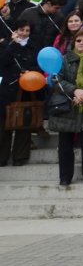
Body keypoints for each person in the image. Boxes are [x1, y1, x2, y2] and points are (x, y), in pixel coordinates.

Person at [48, 28, 83, 186]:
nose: (81, 43)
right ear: (74, 42)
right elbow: (56, 79)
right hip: (67, 106)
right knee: (65, 145)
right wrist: (75, 91)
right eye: (79, 40)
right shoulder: (64, 59)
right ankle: (65, 176)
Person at [0, 19, 38, 167]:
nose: (24, 33)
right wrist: (12, 44)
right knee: (3, 125)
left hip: (27, 89)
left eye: (27, 31)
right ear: (15, 31)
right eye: (21, 30)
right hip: (7, 90)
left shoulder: (34, 46)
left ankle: (19, 157)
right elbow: (2, 62)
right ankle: (2, 157)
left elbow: (38, 65)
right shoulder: (6, 45)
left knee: (24, 124)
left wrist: (31, 72)